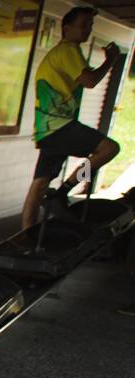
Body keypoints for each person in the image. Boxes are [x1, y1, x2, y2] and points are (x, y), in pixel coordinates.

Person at [22, 6, 122, 228]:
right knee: (108, 149)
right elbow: (90, 81)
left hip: (48, 129)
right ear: (67, 28)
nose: (88, 30)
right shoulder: (68, 50)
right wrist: (111, 60)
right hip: (60, 126)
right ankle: (64, 191)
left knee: (39, 184)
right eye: (83, 25)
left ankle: (25, 237)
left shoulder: (61, 52)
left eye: (90, 26)